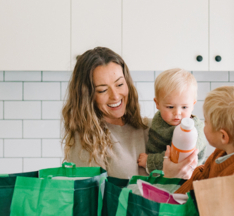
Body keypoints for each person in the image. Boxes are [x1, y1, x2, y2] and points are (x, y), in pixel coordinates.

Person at [61, 47, 197, 179]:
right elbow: (92, 201)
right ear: (87, 96)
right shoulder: (86, 141)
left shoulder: (153, 128)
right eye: (102, 90)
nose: (115, 96)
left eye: (119, 85)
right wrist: (168, 178)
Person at [175, 86, 234, 194]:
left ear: (223, 136)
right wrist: (171, 201)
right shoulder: (221, 152)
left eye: (206, 122)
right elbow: (202, 175)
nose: (203, 125)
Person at [137, 68, 207, 173]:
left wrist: (149, 161)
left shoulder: (193, 131)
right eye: (170, 107)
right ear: (157, 104)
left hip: (185, 174)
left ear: (193, 104)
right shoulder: (159, 118)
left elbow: (178, 160)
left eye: (184, 107)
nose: (177, 113)